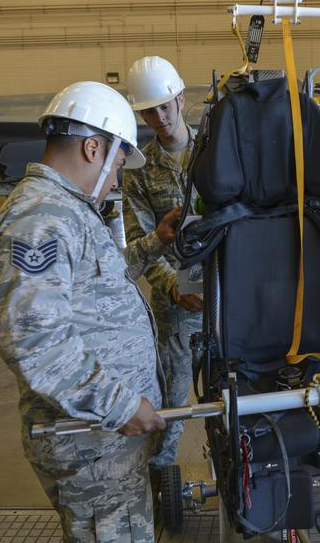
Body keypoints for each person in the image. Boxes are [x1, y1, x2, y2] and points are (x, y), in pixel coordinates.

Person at [0, 81, 182, 542]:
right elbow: (33, 341)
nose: (116, 179)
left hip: (105, 434)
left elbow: (100, 282)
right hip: (90, 439)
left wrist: (156, 242)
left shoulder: (67, 210)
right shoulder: (42, 218)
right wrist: (120, 405)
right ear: (93, 148)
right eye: (117, 163)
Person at [122, 56, 203, 476]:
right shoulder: (138, 172)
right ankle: (162, 474)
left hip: (228, 291)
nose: (158, 117)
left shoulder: (214, 153)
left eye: (164, 106)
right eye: (148, 110)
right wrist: (173, 287)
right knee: (172, 398)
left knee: (242, 390)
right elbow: (140, 244)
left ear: (180, 99)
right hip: (175, 302)